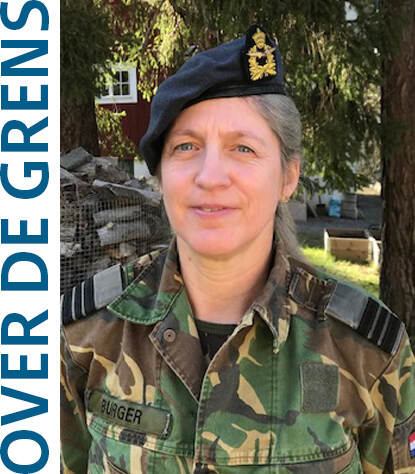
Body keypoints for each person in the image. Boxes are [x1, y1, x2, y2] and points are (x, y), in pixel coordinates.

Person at [60, 25, 415, 473]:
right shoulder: (87, 335)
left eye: (243, 148)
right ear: (161, 176)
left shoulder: (366, 353)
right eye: (186, 146)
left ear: (287, 177)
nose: (210, 176)